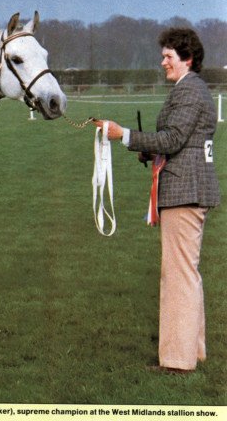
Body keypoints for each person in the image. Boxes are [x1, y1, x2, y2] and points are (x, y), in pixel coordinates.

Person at [94, 27, 220, 374]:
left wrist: (125, 136)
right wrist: (149, 150)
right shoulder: (189, 90)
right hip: (187, 188)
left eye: (168, 56)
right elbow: (181, 142)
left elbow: (175, 137)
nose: (162, 61)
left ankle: (178, 362)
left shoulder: (190, 90)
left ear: (187, 58)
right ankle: (193, 351)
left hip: (185, 191)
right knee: (186, 273)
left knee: (178, 275)